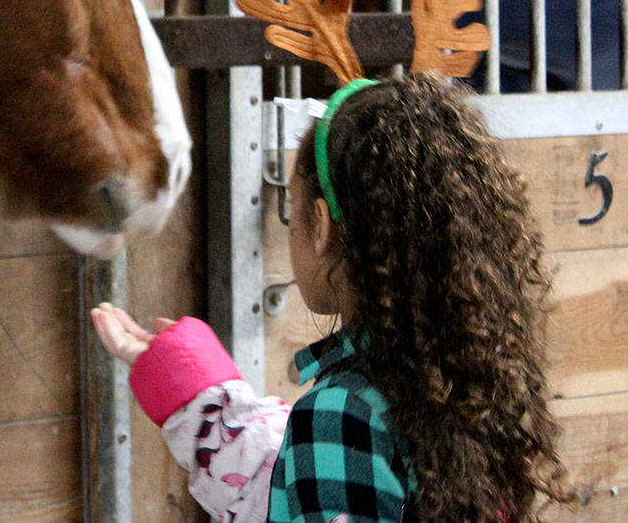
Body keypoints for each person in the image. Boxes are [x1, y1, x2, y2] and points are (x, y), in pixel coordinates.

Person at [92, 73, 573, 522]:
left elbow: (331, 453)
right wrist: (190, 384)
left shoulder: (340, 417)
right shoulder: (467, 385)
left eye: (292, 212)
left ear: (319, 225)